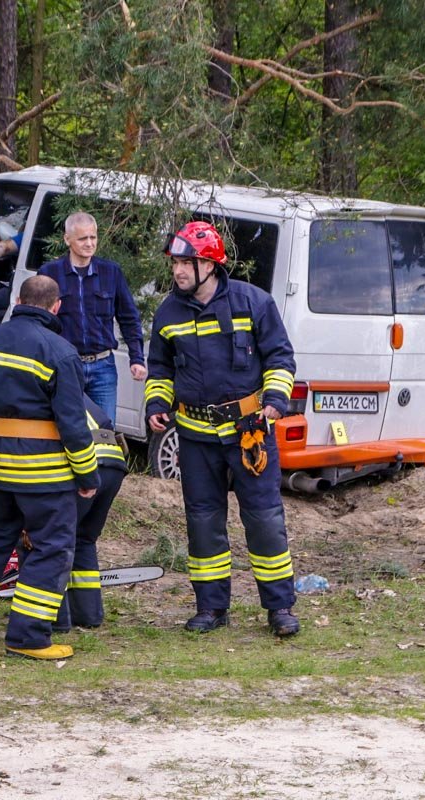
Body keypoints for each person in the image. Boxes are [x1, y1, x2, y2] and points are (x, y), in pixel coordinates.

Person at [144, 221, 300, 637]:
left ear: (210, 265)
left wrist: (275, 399)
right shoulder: (168, 313)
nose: (178, 271)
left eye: (186, 263)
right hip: (195, 438)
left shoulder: (254, 302)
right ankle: (212, 608)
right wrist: (156, 404)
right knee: (203, 523)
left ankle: (280, 607)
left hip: (250, 432)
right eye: (175, 263)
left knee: (264, 520)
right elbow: (159, 369)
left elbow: (280, 358)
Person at [0, 274, 100, 661]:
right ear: (56, 307)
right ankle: (27, 637)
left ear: (19, 301)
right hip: (45, 476)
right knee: (50, 550)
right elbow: (73, 425)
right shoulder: (60, 352)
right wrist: (87, 475)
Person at [38, 212, 146, 422]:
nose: (89, 244)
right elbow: (38, 321)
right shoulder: (49, 273)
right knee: (65, 428)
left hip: (103, 368)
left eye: (93, 237)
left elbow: (129, 317)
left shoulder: (111, 272)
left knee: (104, 430)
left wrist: (137, 358)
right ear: (67, 239)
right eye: (82, 238)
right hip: (65, 366)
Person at [54, 394, 128, 632]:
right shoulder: (66, 385)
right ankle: (88, 614)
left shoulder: (30, 391)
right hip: (114, 461)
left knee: (51, 541)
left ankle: (54, 619)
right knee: (83, 539)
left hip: (88, 460)